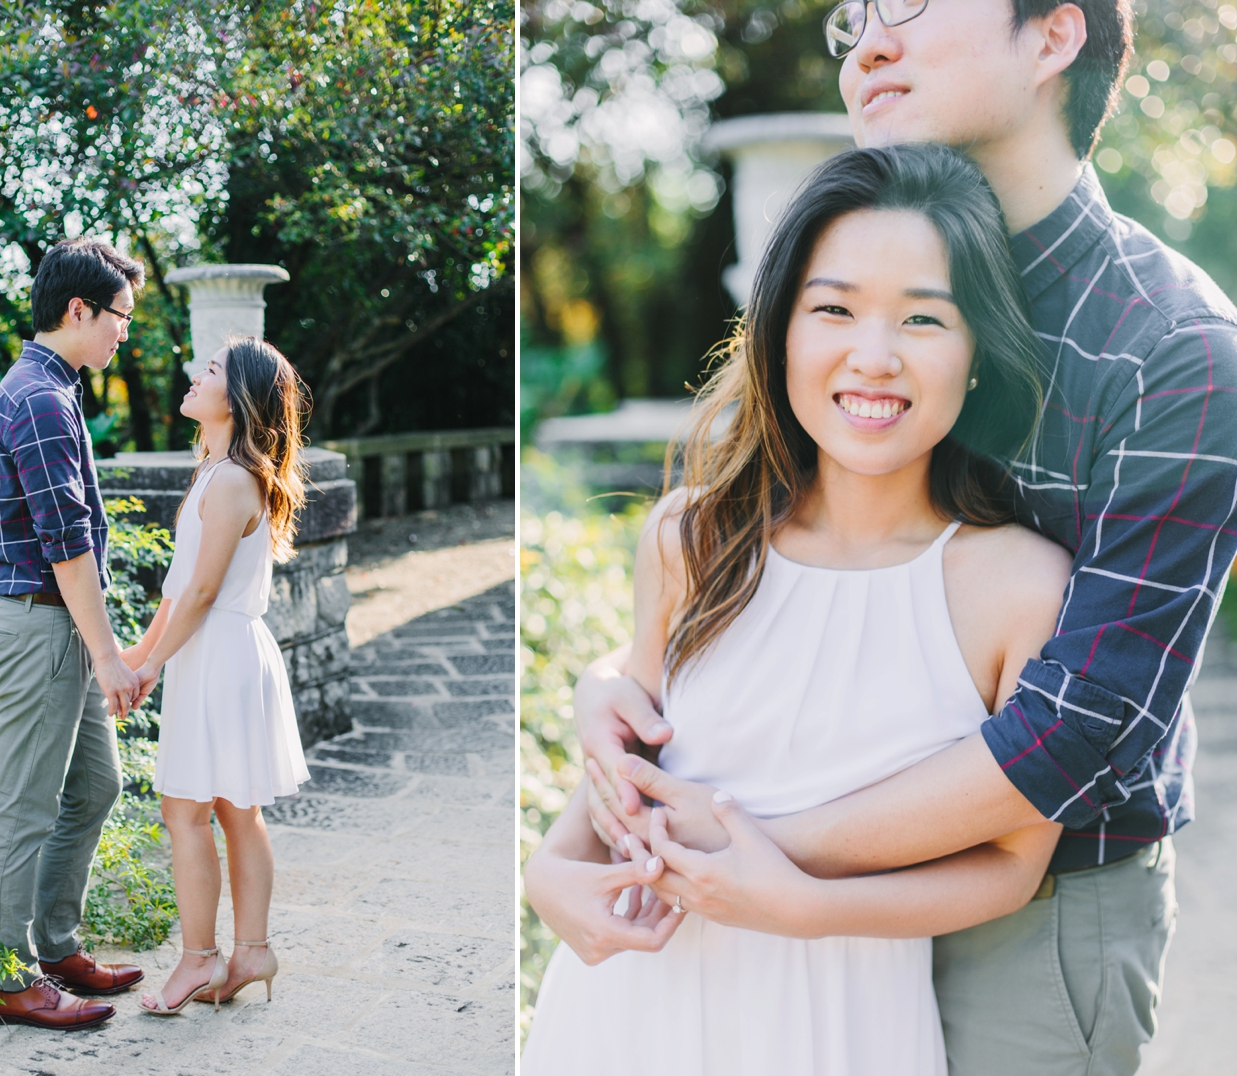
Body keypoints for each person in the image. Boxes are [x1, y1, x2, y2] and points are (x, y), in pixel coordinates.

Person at [565, 1, 1237, 1073]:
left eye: (914, 5)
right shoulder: (862, 272)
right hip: (733, 900)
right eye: (857, 15)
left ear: (1054, 38)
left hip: (1027, 907)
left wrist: (734, 836)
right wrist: (613, 690)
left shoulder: (1179, 353)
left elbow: (1077, 728)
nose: (866, 44)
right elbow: (756, 553)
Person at [524, 141, 1071, 1074]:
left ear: (980, 351)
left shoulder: (1019, 584)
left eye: (924, 320)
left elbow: (1014, 866)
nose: (874, 356)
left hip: (844, 1025)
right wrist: (546, 875)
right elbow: (635, 756)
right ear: (780, 332)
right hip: (630, 1013)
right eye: (834, 309)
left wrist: (806, 907)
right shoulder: (687, 538)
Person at [0, 237, 152, 1029]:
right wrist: (110, 657)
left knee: (94, 787)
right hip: (42, 630)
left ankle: (54, 945)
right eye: (120, 316)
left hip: (60, 628)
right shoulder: (40, 399)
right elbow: (67, 543)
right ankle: (10, 980)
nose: (125, 332)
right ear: (78, 310)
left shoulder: (53, 388)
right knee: (24, 807)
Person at [120, 337, 311, 1015]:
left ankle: (201, 959)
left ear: (236, 398)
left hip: (222, 655)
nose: (193, 377)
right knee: (229, 810)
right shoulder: (215, 470)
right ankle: (248, 952)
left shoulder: (231, 480)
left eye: (209, 371)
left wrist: (146, 666)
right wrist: (139, 660)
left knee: (188, 811)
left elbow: (200, 597)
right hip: (212, 653)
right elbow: (178, 591)